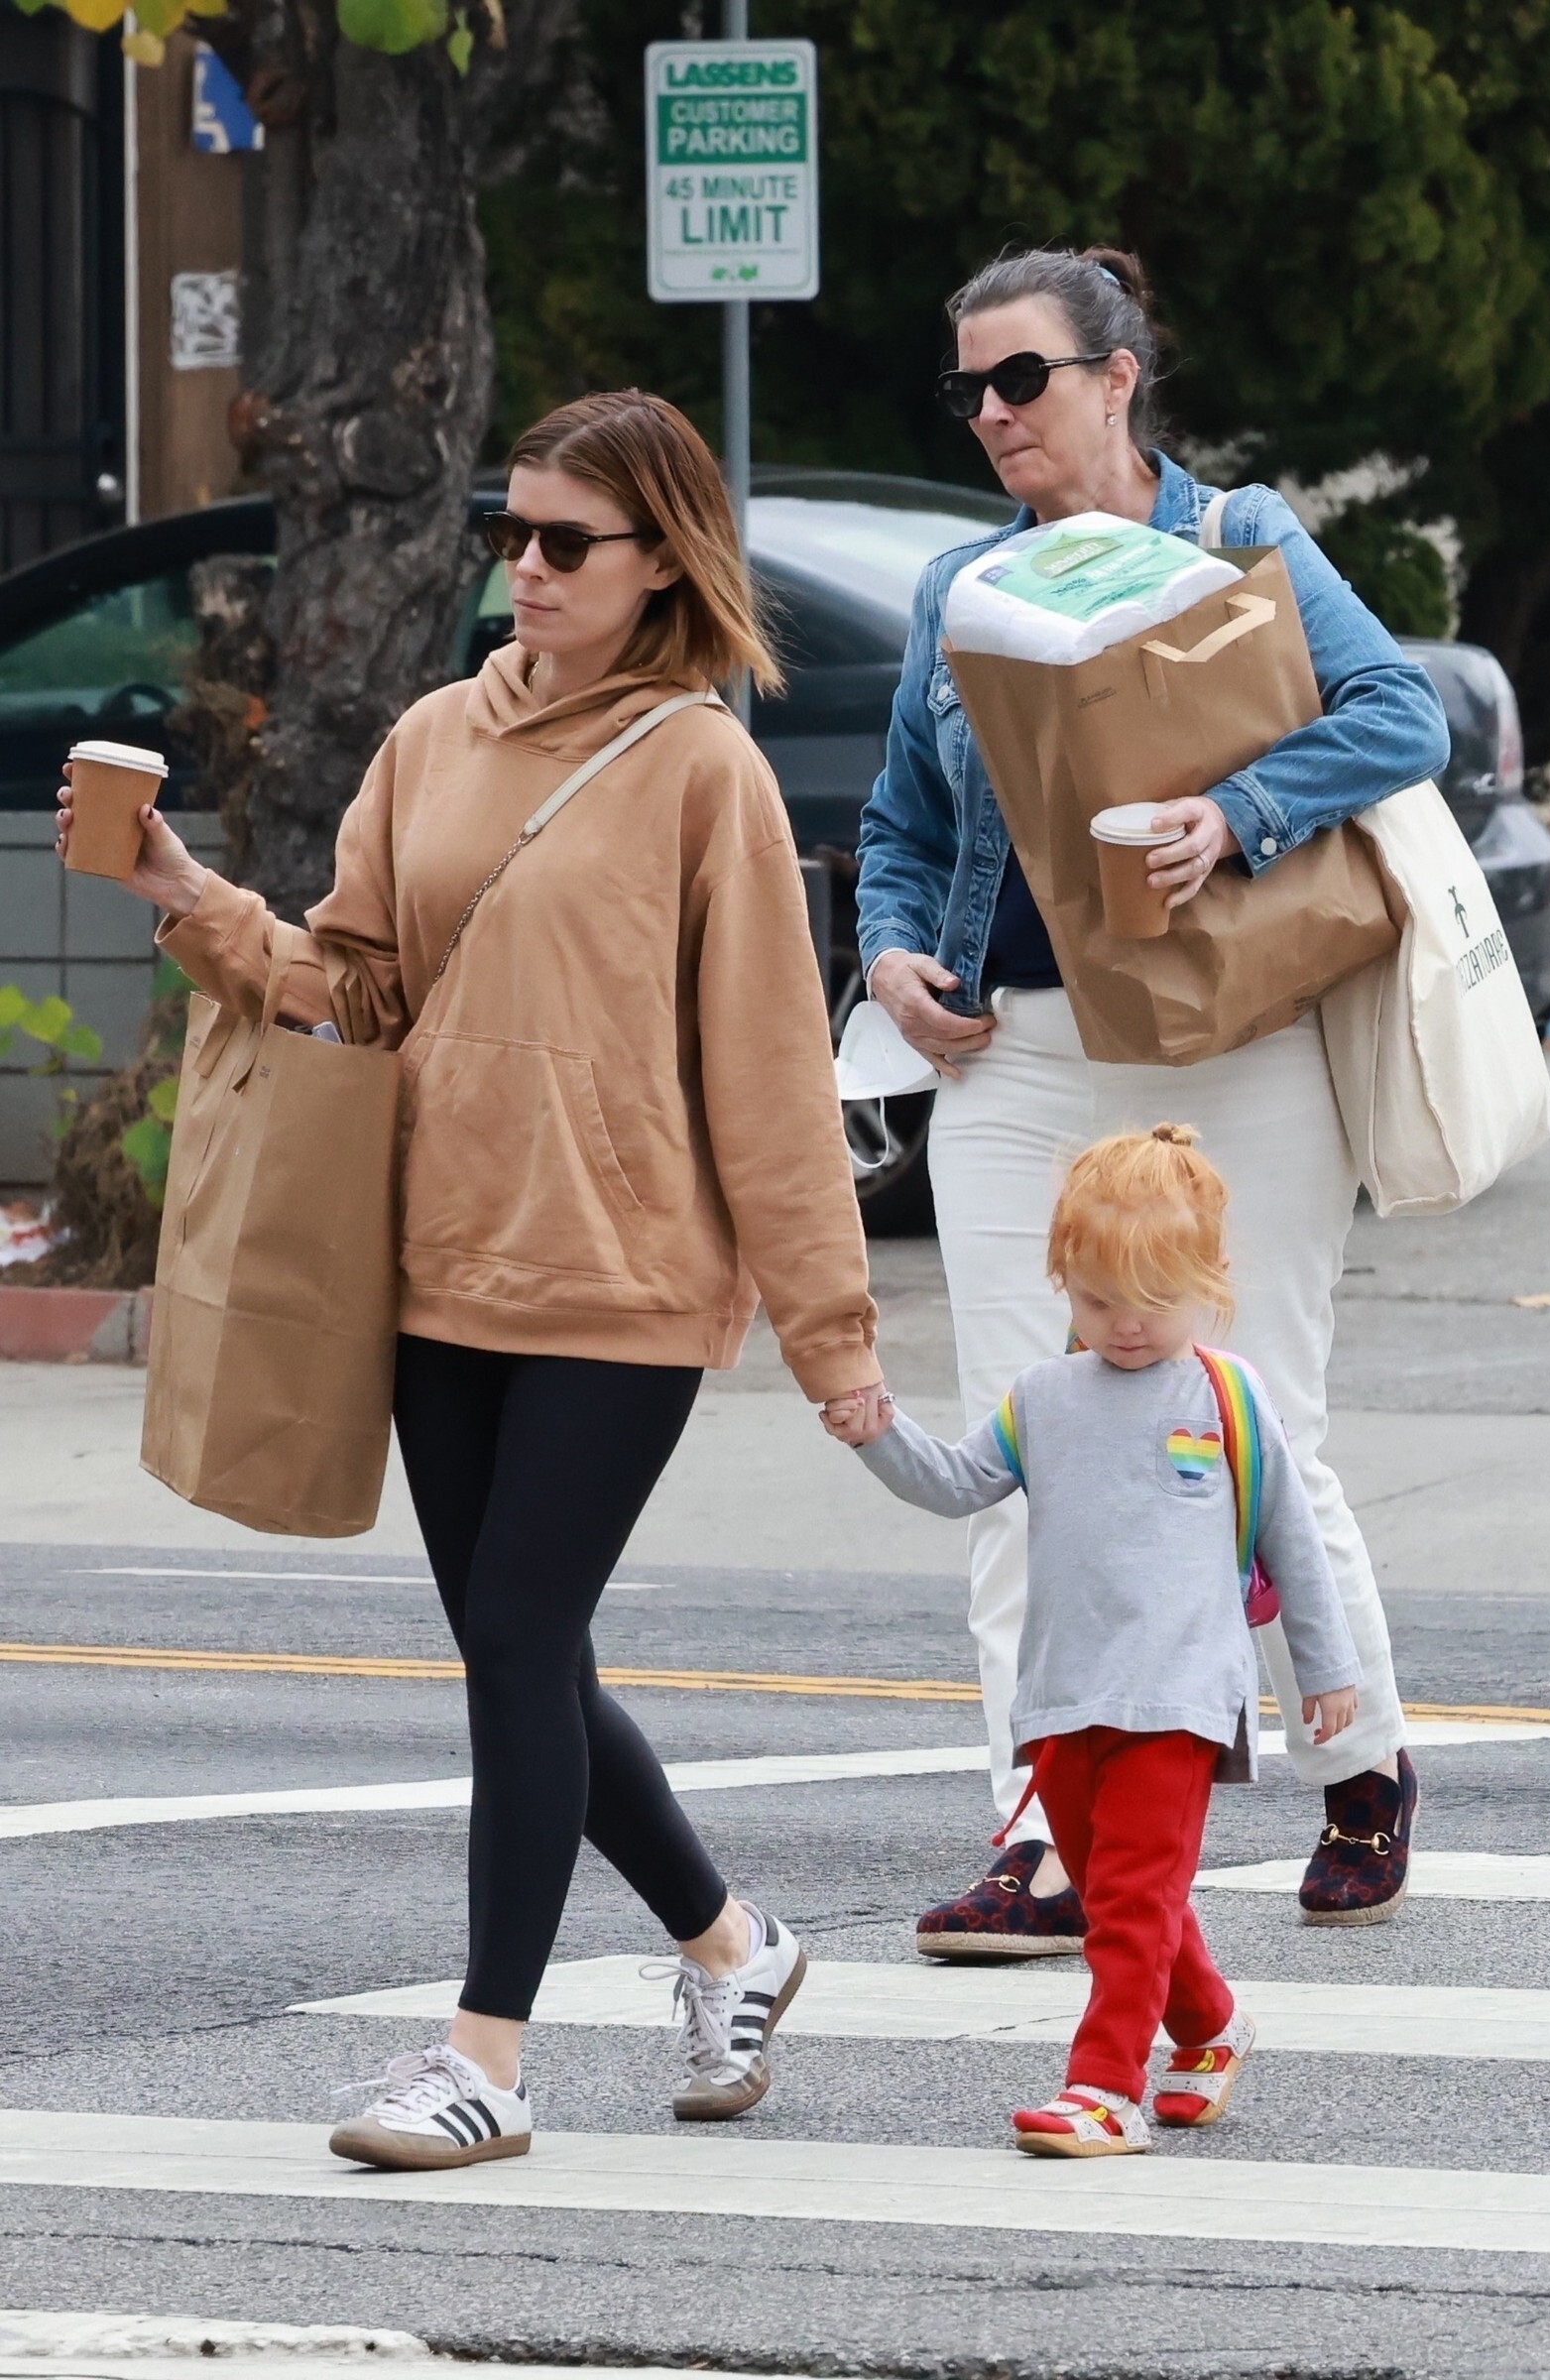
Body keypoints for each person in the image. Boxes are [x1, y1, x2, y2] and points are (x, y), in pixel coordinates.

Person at [58, 389, 889, 2172]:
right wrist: (187, 890)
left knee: (514, 1638)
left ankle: (486, 2060)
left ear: (662, 558)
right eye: (510, 534)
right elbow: (357, 989)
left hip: (621, 1276)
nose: (527, 567)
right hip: (437, 1263)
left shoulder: (705, 771)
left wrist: (832, 1334)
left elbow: (769, 1075)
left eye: (566, 541)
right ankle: (733, 1946)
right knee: (530, 1655)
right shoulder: (435, 738)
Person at [858, 246, 1445, 1949]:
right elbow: (903, 825)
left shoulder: (1238, 541)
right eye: (967, 388)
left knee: (1265, 1432)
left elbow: (1397, 712)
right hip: (1020, 1054)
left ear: (1117, 378)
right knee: (1022, 1445)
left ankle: (1359, 1757)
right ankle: (1042, 1834)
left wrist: (1238, 815)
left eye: (1020, 378)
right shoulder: (963, 589)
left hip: (1238, 1041)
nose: (990, 413)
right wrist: (890, 955)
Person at [824, 1126, 1360, 2155]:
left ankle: (1104, 2088)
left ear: (1211, 1275)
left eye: (1155, 1299)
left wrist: (1326, 1673)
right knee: (1125, 1894)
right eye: (1099, 1299)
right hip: (1065, 1694)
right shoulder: (1043, 1397)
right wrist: (878, 1432)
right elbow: (956, 1484)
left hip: (1180, 1695)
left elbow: (1294, 1543)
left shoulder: (1227, 1395)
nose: (1127, 1324)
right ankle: (1210, 2027)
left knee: (1128, 1901)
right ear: (1062, 1279)